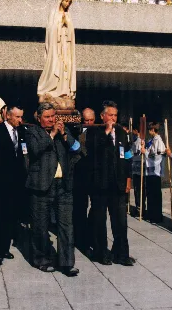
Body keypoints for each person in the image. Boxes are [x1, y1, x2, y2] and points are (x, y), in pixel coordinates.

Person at [25, 102, 80, 276]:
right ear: (39, 118)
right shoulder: (32, 132)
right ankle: (42, 259)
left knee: (66, 225)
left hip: (62, 186)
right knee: (40, 225)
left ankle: (67, 263)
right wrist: (52, 135)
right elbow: (35, 150)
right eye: (47, 117)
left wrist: (64, 135)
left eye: (53, 116)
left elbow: (77, 149)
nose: (51, 120)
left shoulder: (63, 131)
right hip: (41, 186)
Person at [86, 100, 134, 266]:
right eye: (110, 115)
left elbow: (127, 156)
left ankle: (121, 253)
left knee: (120, 221)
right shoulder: (94, 132)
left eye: (115, 115)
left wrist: (128, 179)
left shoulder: (122, 132)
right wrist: (106, 133)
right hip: (100, 185)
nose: (113, 118)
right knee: (100, 221)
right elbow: (93, 153)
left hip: (118, 184)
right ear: (102, 116)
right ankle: (101, 252)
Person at [0, 105, 27, 265]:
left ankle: (5, 248)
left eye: (21, 117)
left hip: (16, 183)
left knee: (11, 217)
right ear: (8, 116)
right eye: (17, 117)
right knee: (0, 217)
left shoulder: (21, 132)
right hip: (0, 182)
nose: (20, 120)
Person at [37, 0, 76, 100]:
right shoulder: (54, 13)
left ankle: (64, 90)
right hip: (56, 46)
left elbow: (71, 31)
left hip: (65, 45)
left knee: (66, 66)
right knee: (55, 64)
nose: (67, 3)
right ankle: (50, 89)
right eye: (66, 1)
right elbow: (50, 29)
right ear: (61, 1)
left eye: (69, 2)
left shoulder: (68, 15)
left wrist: (67, 24)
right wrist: (60, 24)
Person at [72, 107, 95, 253]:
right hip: (79, 175)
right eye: (85, 120)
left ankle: (91, 235)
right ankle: (79, 238)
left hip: (94, 175)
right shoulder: (76, 131)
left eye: (90, 120)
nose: (88, 123)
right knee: (79, 207)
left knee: (95, 208)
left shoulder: (99, 132)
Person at [142, 122, 165, 223]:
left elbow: (156, 157)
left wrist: (145, 152)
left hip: (155, 171)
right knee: (150, 193)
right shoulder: (151, 140)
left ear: (153, 130)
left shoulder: (158, 141)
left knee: (155, 194)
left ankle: (157, 215)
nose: (148, 131)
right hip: (149, 171)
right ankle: (151, 213)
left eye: (149, 129)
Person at [131, 126, 146, 217]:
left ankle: (141, 208)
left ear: (136, 131)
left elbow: (138, 153)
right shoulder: (134, 141)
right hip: (135, 168)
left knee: (140, 189)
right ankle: (138, 207)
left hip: (140, 168)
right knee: (136, 189)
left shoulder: (141, 141)